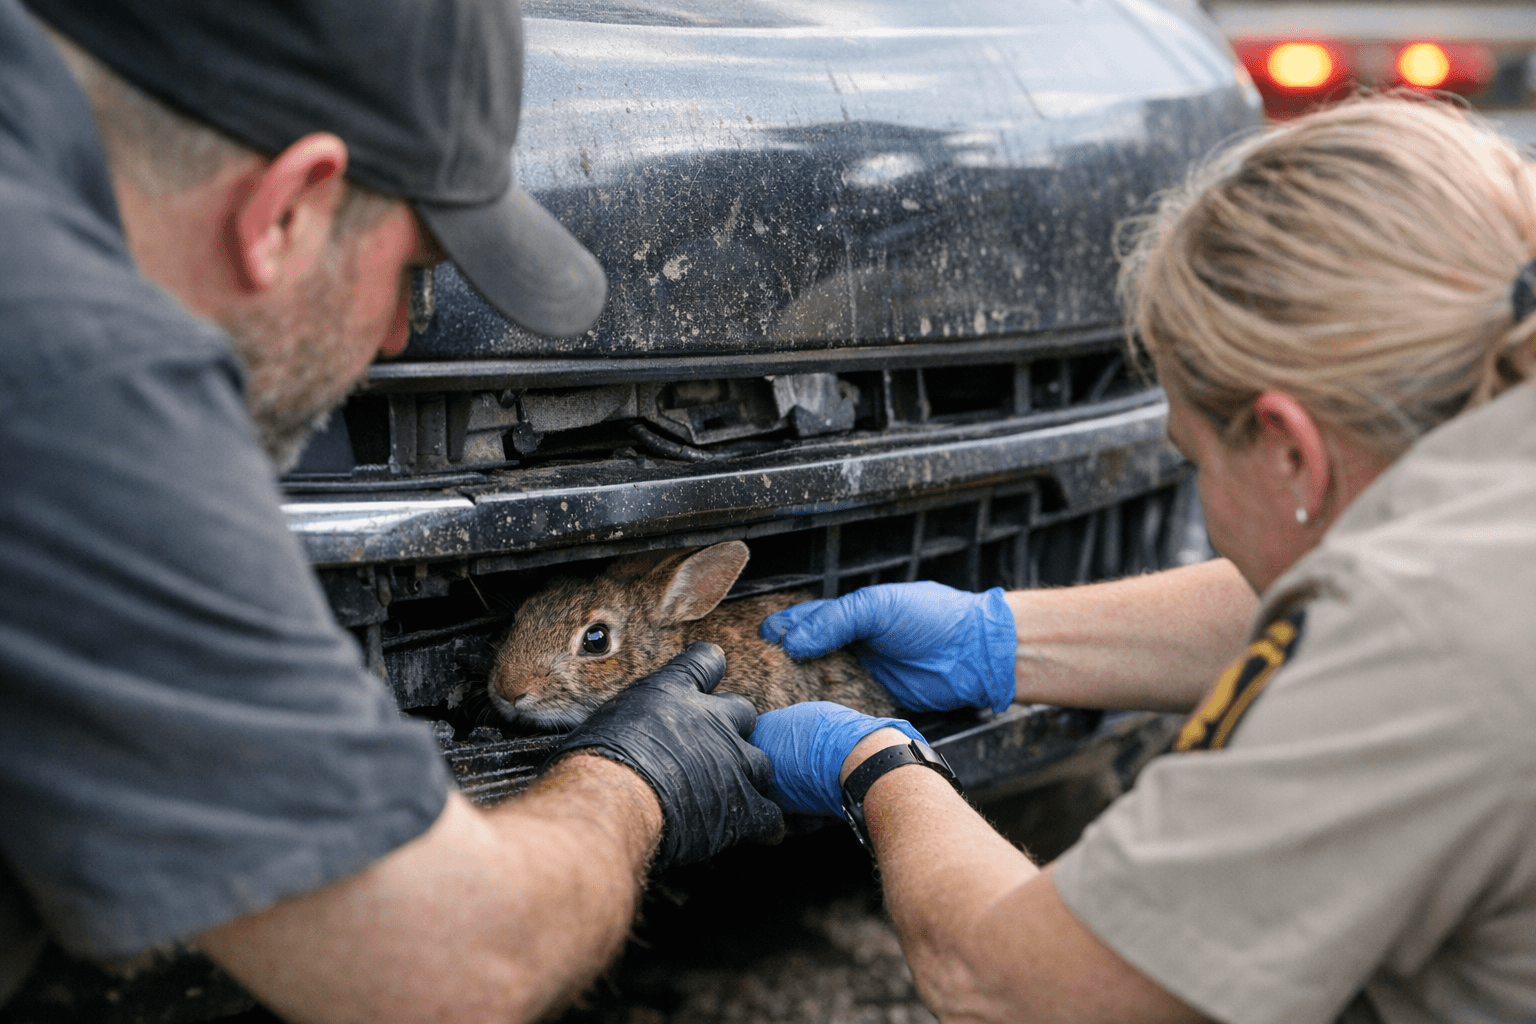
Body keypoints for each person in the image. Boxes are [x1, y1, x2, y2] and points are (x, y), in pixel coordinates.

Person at [0, 1, 784, 1021]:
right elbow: (454, 964)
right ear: (290, 206)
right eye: (413, 273)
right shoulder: (72, 380)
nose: (399, 338)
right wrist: (640, 772)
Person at [752, 95, 1536, 1024]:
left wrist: (877, 766)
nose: (1201, 484)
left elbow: (1015, 984)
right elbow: (1357, 624)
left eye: (1195, 457)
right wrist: (1001, 638)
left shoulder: (1424, 636)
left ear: (1291, 450)